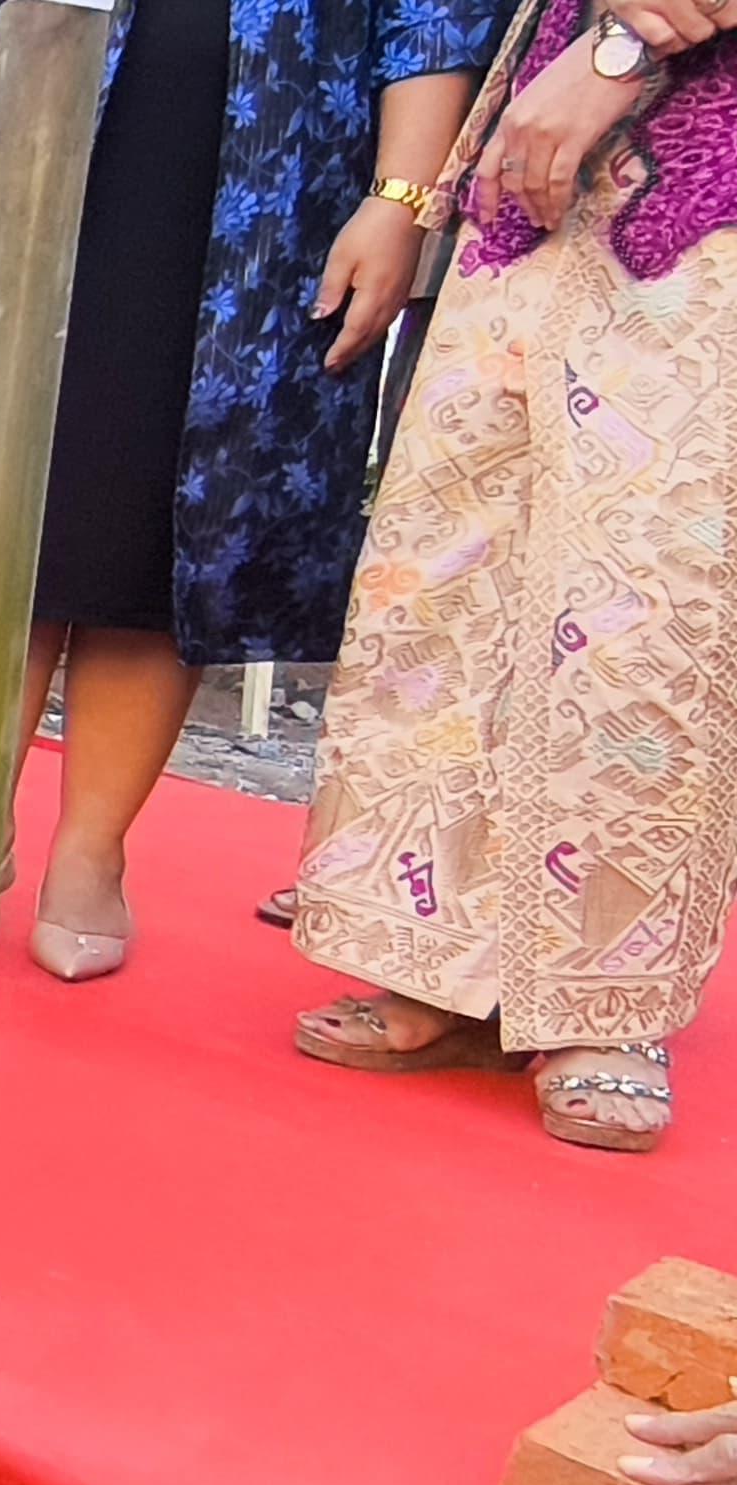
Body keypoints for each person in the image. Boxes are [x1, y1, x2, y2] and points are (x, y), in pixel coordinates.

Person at [0, 0, 503, 981]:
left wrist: (399, 200)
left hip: (280, 181)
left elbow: (432, 18)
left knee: (178, 514)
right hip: (28, 140)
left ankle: (91, 853)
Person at [290, 0, 734, 1154]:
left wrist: (623, 49)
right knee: (459, 555)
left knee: (652, 577)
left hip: (701, 149)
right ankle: (441, 950)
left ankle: (604, 997)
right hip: (548, 147)